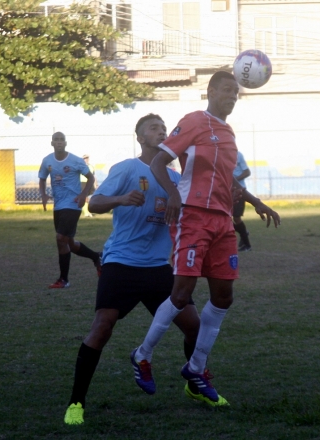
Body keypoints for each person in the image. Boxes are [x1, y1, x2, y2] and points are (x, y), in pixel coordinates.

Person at [130, 71, 281, 407]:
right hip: (193, 216)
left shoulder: (228, 133)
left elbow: (228, 181)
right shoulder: (196, 120)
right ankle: (142, 355)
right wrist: (172, 194)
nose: (232, 95)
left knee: (223, 297)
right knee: (182, 294)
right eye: (227, 89)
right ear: (211, 91)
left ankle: (196, 368)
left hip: (223, 221)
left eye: (236, 92)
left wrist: (256, 203)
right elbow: (159, 162)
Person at [63, 114, 202, 426]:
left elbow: (189, 215)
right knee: (102, 327)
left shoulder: (175, 179)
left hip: (158, 268)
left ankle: (195, 385)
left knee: (195, 326)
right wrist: (122, 199)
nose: (161, 132)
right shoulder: (128, 168)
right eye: (154, 128)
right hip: (121, 263)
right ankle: (76, 402)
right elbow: (94, 204)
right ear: (139, 137)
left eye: (164, 129)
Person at [39, 132, 102, 288]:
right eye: (56, 140)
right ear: (52, 143)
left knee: (60, 238)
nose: (59, 142)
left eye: (61, 140)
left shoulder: (76, 161)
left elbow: (91, 178)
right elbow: (42, 177)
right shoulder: (47, 160)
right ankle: (97, 257)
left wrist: (83, 194)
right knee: (69, 242)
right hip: (59, 205)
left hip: (73, 204)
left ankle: (64, 280)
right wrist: (43, 194)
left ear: (65, 143)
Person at [233, 150, 252, 251]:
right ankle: (242, 231)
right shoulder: (219, 154)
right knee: (224, 218)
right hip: (226, 192)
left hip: (239, 191)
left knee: (236, 218)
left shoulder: (238, 154)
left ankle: (247, 245)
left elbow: (247, 171)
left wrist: (235, 179)